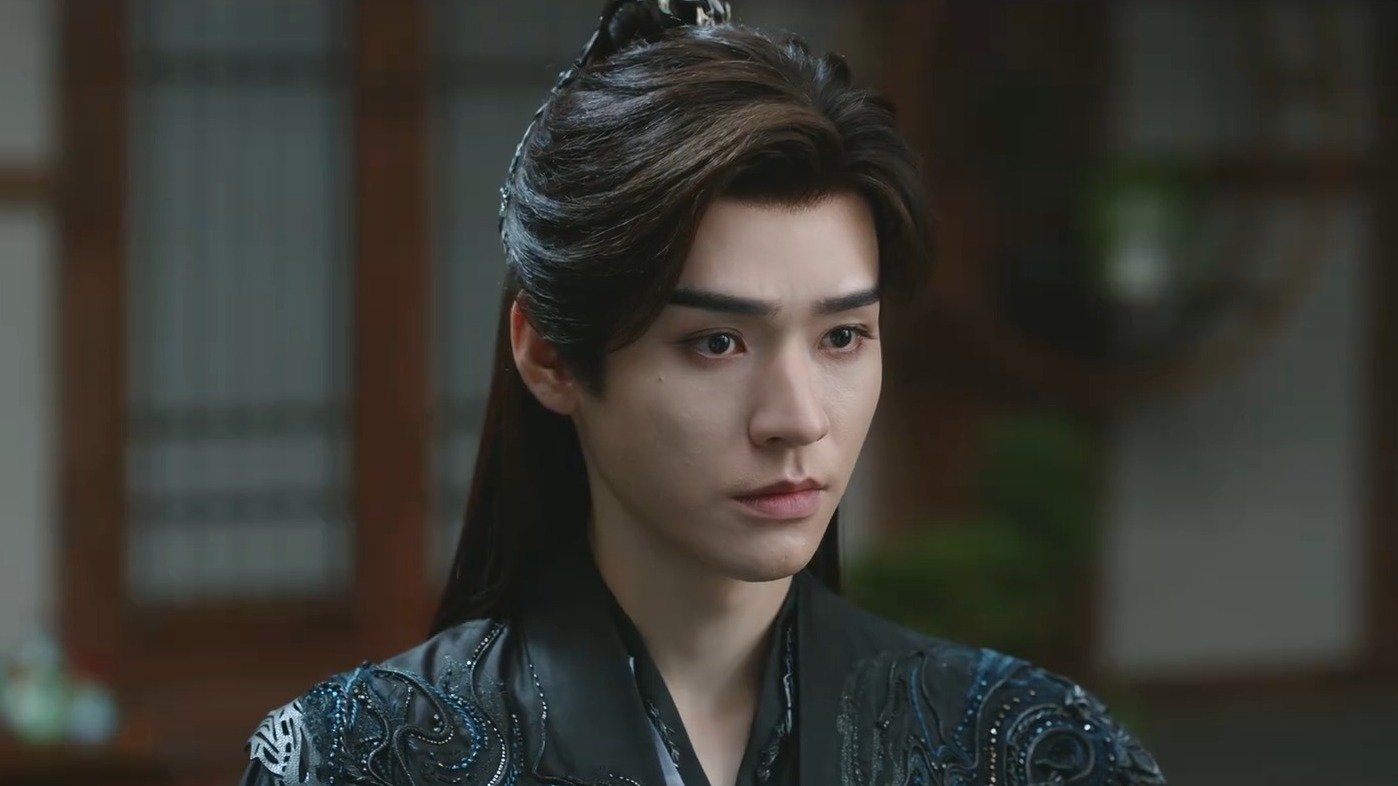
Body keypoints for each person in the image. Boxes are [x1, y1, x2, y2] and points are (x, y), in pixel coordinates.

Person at [239, 1, 1167, 784]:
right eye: (716, 343)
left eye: (842, 336)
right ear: (550, 357)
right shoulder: (357, 758)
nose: (798, 418)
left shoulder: (1035, 750)